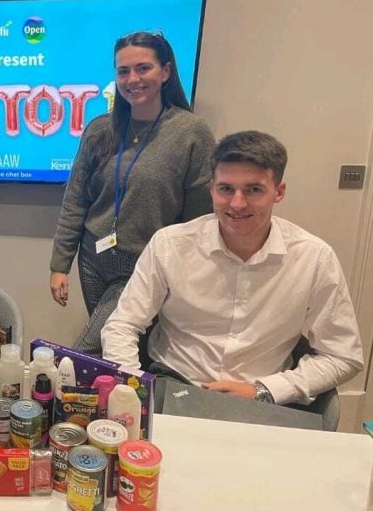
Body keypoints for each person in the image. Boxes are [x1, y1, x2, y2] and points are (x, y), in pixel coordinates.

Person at [101, 131, 364, 405]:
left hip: (262, 399)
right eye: (226, 189)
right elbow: (122, 325)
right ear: (212, 189)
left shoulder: (314, 258)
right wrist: (133, 391)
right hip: (174, 386)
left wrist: (267, 390)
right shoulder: (170, 245)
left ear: (279, 192)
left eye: (253, 190)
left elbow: (342, 355)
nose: (237, 204)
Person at [50, 31, 215, 354]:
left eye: (143, 68)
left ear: (165, 72)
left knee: (91, 349)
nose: (132, 79)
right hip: (93, 258)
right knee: (122, 352)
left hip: (147, 263)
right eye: (123, 71)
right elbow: (76, 200)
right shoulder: (99, 129)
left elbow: (200, 216)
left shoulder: (191, 132)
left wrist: (189, 275)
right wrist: (60, 264)